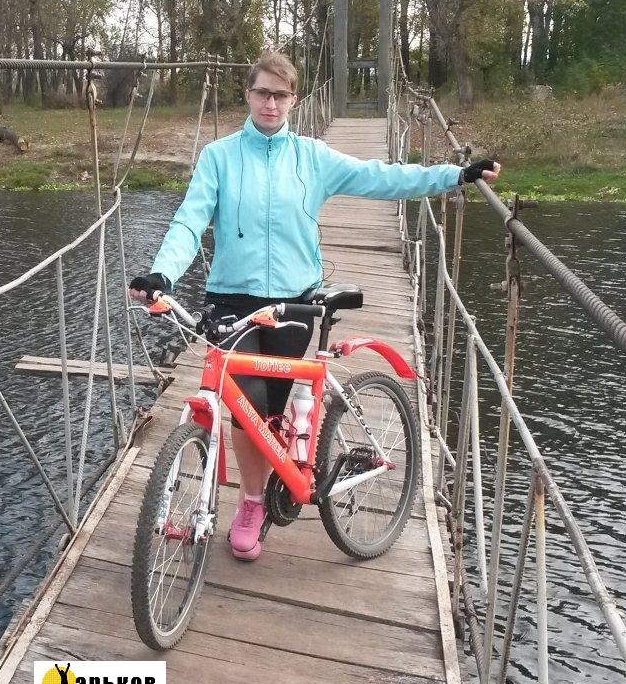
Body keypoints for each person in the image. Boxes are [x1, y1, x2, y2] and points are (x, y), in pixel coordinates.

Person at [128, 50, 501, 561]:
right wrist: (162, 274)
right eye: (263, 92)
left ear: (294, 100)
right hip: (232, 300)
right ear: (248, 94)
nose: (271, 103)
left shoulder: (312, 158)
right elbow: (189, 222)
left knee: (272, 408)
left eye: (280, 95)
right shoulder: (219, 157)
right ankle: (252, 503)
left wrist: (454, 176)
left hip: (293, 303)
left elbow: (383, 177)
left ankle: (289, 463)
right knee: (248, 408)